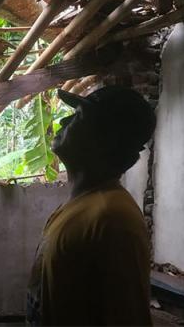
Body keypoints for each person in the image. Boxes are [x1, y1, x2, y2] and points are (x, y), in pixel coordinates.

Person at [27, 85, 156, 326]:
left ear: (103, 138)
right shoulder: (82, 206)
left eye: (79, 116)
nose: (65, 119)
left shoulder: (112, 218)